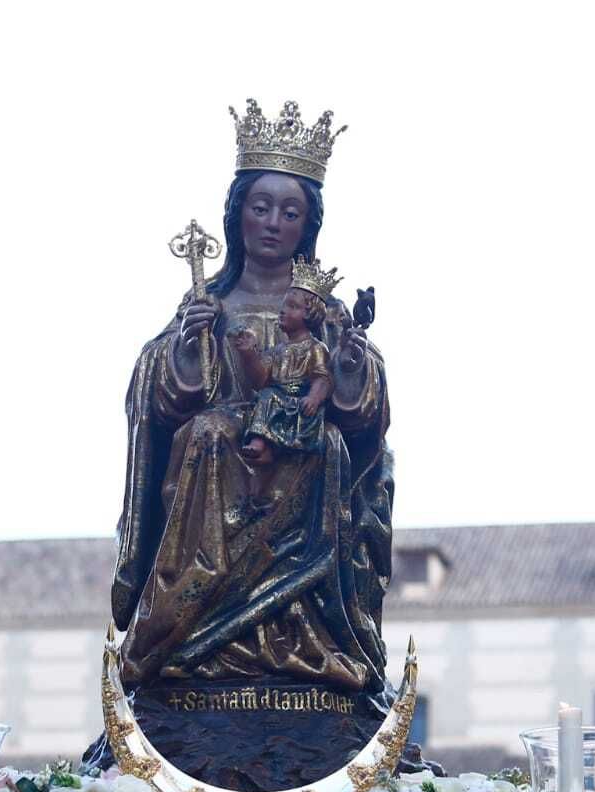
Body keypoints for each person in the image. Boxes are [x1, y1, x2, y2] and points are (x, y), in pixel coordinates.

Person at [109, 100, 392, 698]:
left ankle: (304, 634)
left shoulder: (324, 311)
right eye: (260, 207)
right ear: (237, 214)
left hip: (304, 445)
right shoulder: (208, 302)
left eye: (289, 212)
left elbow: (360, 408)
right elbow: (161, 397)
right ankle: (189, 627)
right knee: (210, 432)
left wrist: (349, 364)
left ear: (307, 226)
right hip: (221, 447)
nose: (272, 223)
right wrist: (186, 348)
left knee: (325, 446)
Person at [230, 260, 338, 465]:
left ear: (310, 314)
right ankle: (264, 445)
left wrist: (314, 398)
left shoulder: (315, 348)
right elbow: (261, 379)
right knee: (265, 395)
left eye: (292, 306)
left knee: (268, 397)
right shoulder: (278, 350)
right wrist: (249, 354)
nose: (283, 311)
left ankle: (263, 444)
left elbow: (323, 378)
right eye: (284, 305)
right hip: (276, 400)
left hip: (300, 405)